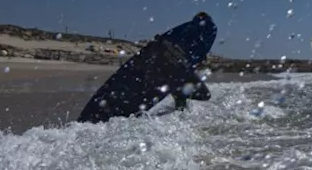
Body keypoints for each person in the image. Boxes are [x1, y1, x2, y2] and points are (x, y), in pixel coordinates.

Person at [77, 12, 217, 124]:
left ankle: (178, 97)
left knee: (203, 94)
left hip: (172, 68)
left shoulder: (183, 35)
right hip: (173, 70)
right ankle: (178, 99)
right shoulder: (190, 40)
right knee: (198, 92)